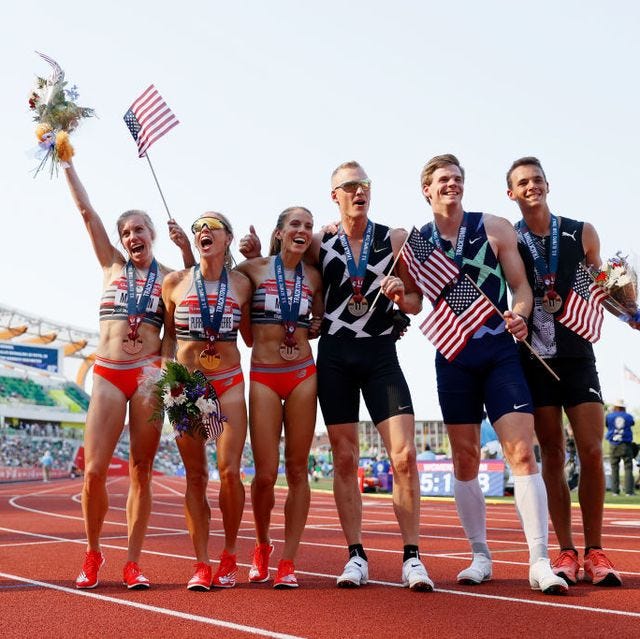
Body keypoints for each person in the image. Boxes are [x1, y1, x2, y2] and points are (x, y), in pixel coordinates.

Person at [241, 161, 434, 591]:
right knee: (344, 458)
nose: (358, 191)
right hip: (335, 356)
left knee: (403, 456)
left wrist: (403, 295)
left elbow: (418, 303)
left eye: (363, 184)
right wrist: (251, 255)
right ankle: (356, 555)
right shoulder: (320, 241)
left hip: (381, 354)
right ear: (335, 196)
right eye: (349, 186)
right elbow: (283, 268)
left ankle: (412, 557)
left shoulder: (394, 239)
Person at [418, 154, 567, 594]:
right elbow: (410, 295)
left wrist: (520, 314)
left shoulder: (494, 227)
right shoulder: (418, 242)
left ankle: (539, 560)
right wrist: (398, 292)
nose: (452, 184)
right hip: (453, 356)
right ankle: (480, 555)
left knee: (522, 451)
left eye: (458, 178)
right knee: (465, 459)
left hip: (501, 352)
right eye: (444, 179)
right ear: (426, 189)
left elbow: (520, 287)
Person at [63, 158, 195, 590]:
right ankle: (93, 552)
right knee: (94, 471)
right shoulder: (112, 267)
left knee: (141, 468)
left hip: (147, 376)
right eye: (126, 232)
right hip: (107, 373)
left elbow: (182, 325)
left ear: (153, 235)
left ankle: (133, 562)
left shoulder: (171, 280)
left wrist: (168, 374)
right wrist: (66, 162)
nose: (132, 236)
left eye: (140, 230)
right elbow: (87, 213)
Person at [506, 155, 634, 587]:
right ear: (512, 193)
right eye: (523, 182)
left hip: (578, 355)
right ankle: (565, 551)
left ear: (548, 185)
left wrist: (630, 310)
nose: (532, 187)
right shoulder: (508, 237)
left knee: (592, 450)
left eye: (537, 180)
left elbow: (604, 286)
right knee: (553, 456)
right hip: (535, 358)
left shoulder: (581, 232)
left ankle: (595, 549)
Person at [162, 212, 252, 591]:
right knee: (196, 477)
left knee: (229, 472)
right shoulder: (175, 283)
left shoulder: (243, 284)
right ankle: (201, 562)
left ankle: (229, 554)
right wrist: (167, 379)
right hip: (186, 385)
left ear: (228, 237)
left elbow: (250, 337)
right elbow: (167, 338)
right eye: (198, 228)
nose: (203, 232)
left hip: (228, 382)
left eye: (211, 227)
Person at [235, 206, 323, 588]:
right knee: (266, 474)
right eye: (295, 225)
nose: (302, 230)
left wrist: (312, 324)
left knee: (299, 469)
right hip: (265, 375)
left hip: (303, 373)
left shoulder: (316, 278)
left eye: (308, 226)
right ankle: (262, 545)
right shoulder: (252, 270)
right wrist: (244, 254)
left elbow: (316, 323)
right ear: (279, 232)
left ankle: (289, 560)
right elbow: (221, 289)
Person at [605, 400, 635, 496]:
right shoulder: (628, 416)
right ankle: (629, 492)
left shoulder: (609, 416)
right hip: (625, 444)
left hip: (613, 444)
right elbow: (632, 423)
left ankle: (614, 491)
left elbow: (607, 425)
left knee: (614, 468)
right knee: (628, 468)